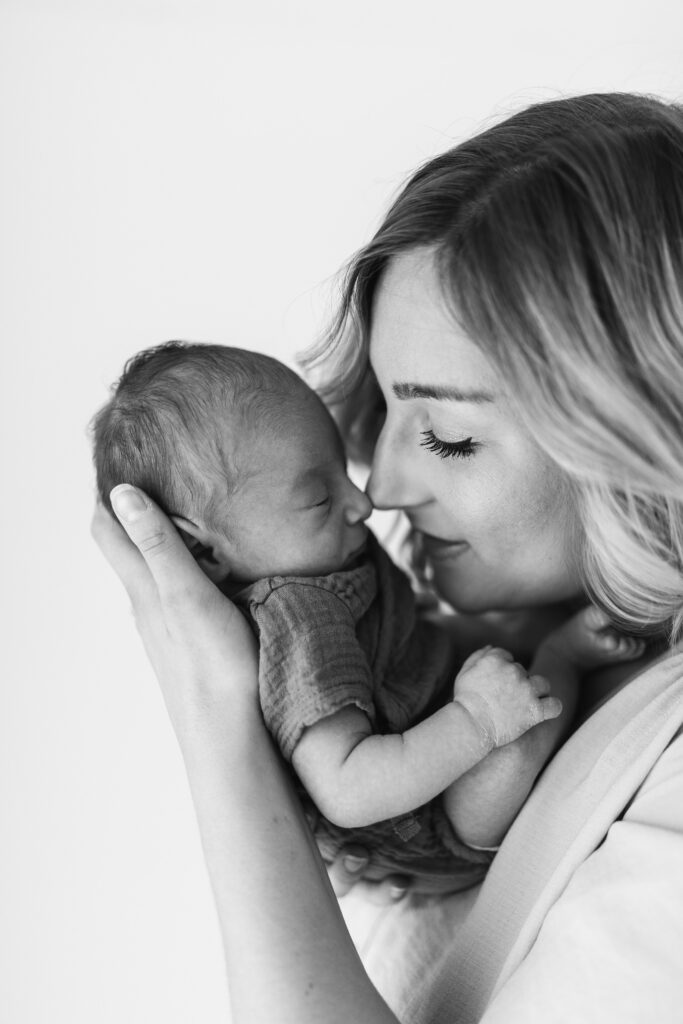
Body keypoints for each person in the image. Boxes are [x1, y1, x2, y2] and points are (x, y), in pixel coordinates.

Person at [92, 91, 683, 1023]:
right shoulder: (427, 650)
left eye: (446, 435)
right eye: (383, 411)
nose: (385, 486)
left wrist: (219, 731)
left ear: (633, 435)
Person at [92, 341, 638, 891]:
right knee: (527, 726)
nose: (363, 501)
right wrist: (479, 720)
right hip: (435, 816)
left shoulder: (320, 554)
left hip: (434, 720)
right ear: (207, 552)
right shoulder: (298, 617)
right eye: (319, 499)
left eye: (342, 472)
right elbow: (348, 790)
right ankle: (560, 658)